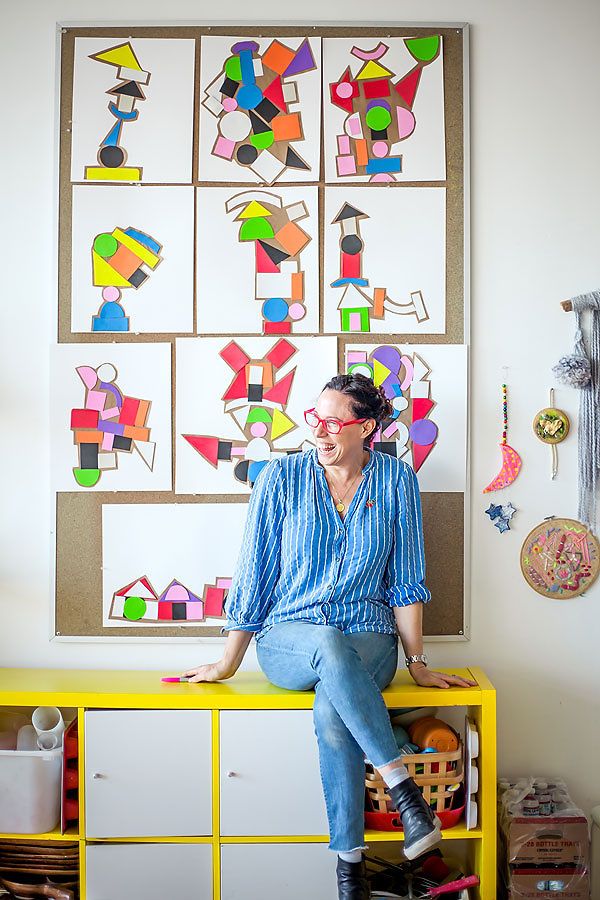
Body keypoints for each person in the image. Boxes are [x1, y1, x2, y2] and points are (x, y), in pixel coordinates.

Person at [184, 373, 475, 900]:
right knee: (325, 644)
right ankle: (407, 795)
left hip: (370, 638)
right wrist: (228, 661)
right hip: (289, 640)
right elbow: (256, 572)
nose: (320, 430)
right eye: (314, 418)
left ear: (366, 427)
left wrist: (418, 663)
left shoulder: (396, 481)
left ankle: (350, 873)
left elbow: (406, 579)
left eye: (334, 421)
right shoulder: (279, 478)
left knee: (331, 706)